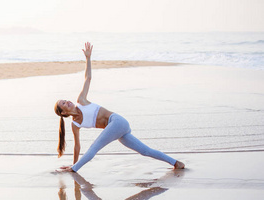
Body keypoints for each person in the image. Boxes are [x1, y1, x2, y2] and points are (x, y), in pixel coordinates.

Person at [54, 42, 185, 172]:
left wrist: (88, 59)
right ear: (64, 113)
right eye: (63, 104)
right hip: (118, 131)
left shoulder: (81, 101)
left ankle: (75, 170)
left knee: (95, 147)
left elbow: (88, 78)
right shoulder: (75, 125)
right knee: (145, 151)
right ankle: (176, 163)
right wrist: (74, 162)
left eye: (65, 100)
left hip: (117, 121)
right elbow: (77, 146)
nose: (67, 102)